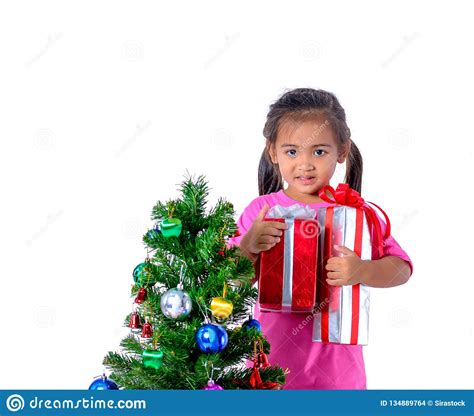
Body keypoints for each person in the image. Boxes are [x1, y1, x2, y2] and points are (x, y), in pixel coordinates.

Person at [226, 88, 413, 389]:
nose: (305, 164)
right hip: (272, 363)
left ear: (342, 151)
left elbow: (401, 268)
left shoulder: (356, 213)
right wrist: (249, 245)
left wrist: (363, 270)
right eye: (291, 151)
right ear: (272, 151)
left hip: (339, 369)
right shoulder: (262, 211)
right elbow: (232, 283)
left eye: (319, 151)